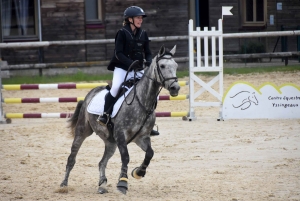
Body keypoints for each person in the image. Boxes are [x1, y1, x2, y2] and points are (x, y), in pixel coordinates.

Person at [97, 6, 159, 136]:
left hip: (138, 69)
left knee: (152, 91)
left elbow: (148, 52)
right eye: (138, 17)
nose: (140, 20)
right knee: (115, 88)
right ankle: (105, 115)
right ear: (130, 19)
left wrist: (148, 61)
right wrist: (131, 63)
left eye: (141, 18)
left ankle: (148, 123)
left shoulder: (143, 34)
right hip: (122, 69)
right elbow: (118, 53)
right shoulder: (122, 33)